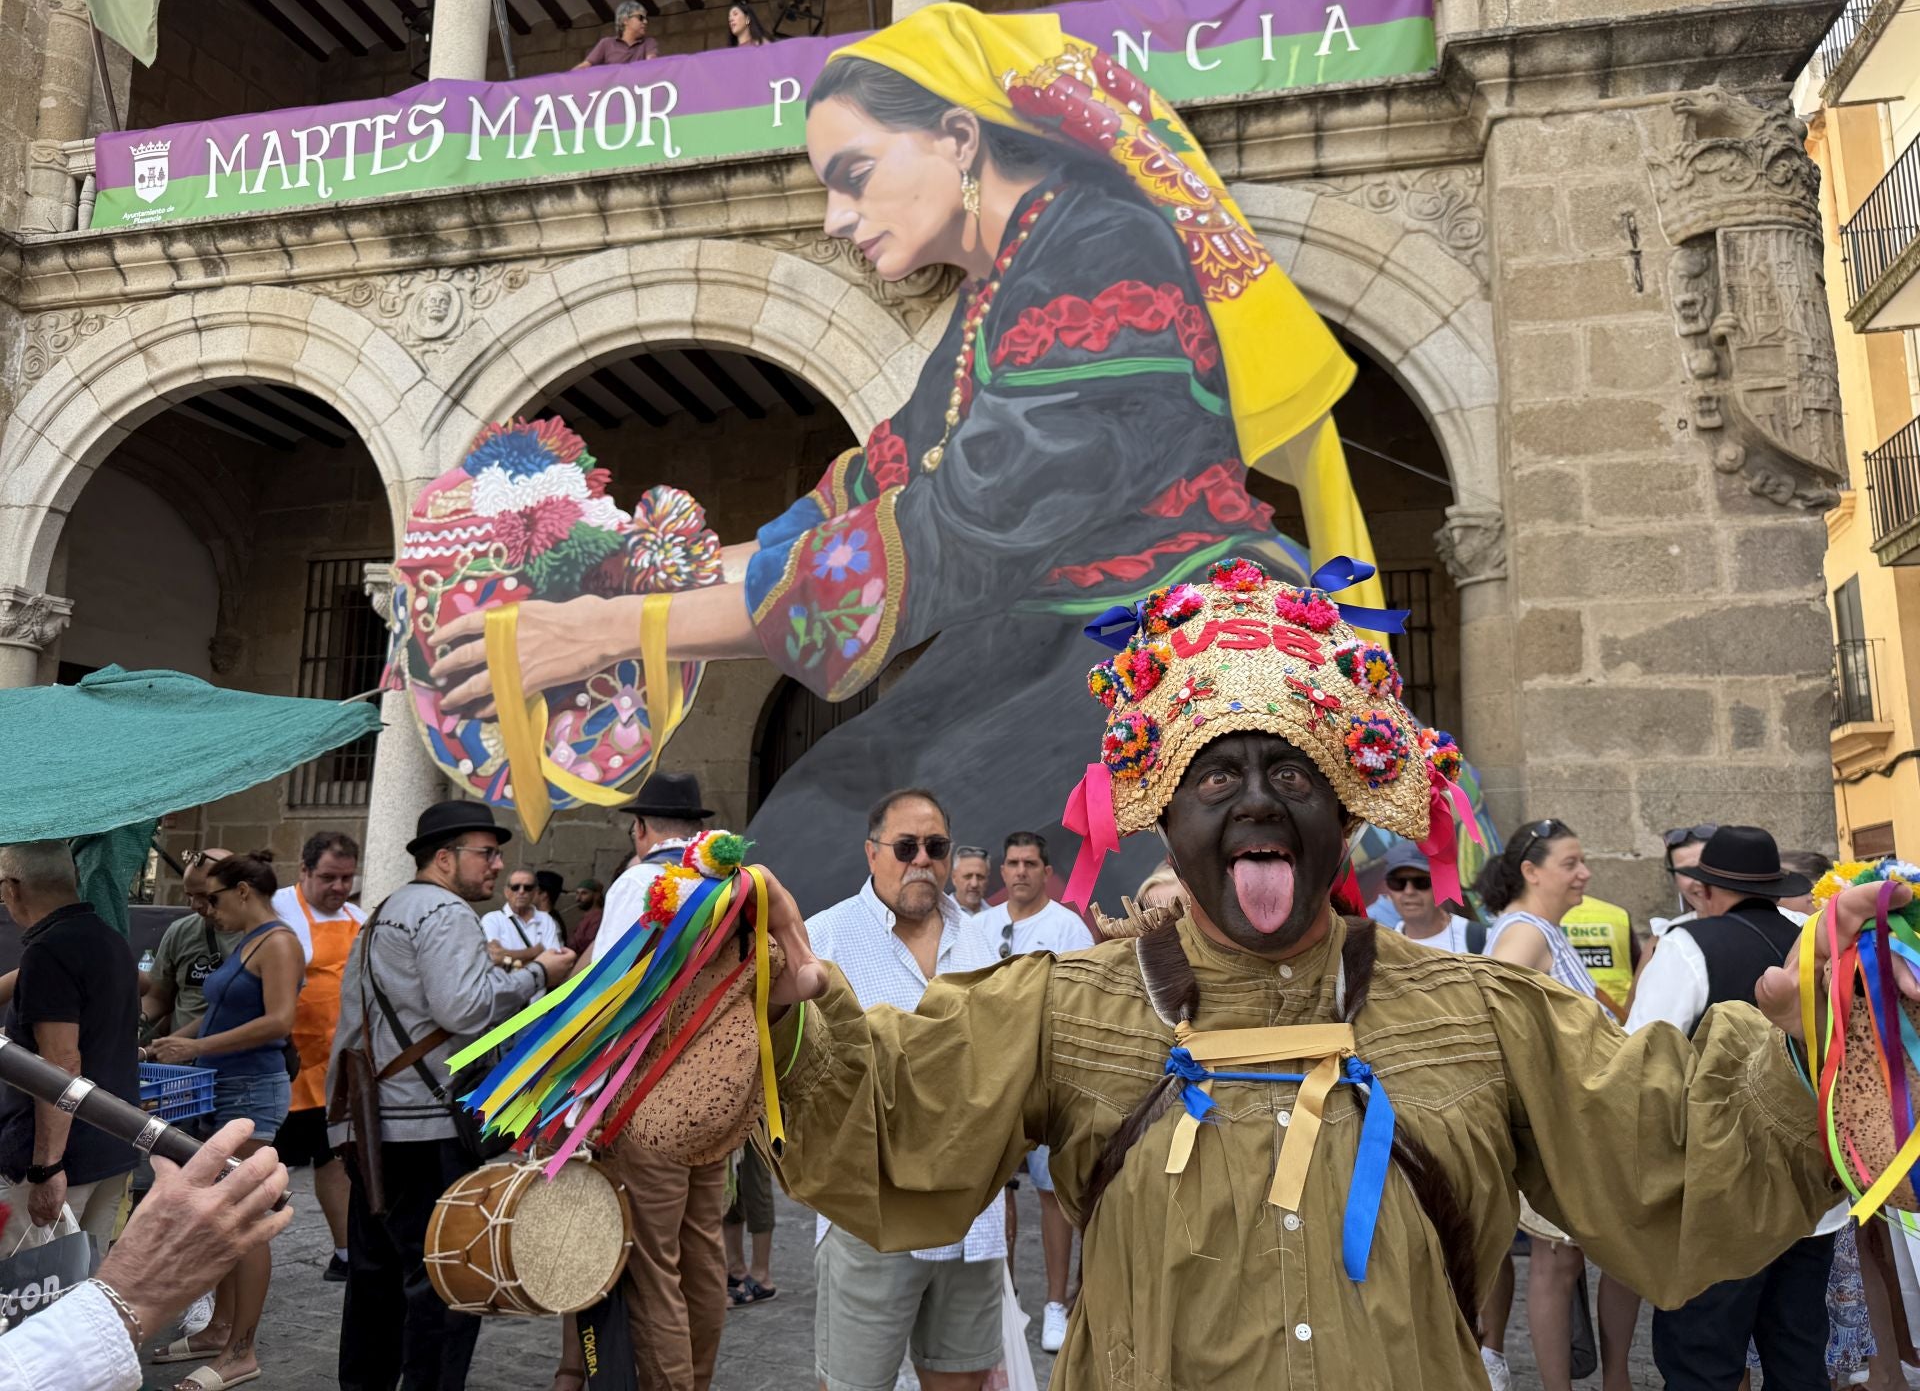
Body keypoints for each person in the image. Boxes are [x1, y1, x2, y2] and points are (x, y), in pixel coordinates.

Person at [740, 560, 1852, 1389]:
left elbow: (1668, 1171)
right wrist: (789, 1019)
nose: (1259, 800)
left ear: (1350, 809)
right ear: (1162, 817)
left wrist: (1822, 1046)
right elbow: (893, 1127)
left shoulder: (1481, 1013)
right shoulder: (1061, 1007)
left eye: (1295, 771)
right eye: (1216, 773)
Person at [428, 3, 1380, 920]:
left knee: (826, 843)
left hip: (1166, 626)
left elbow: (943, 538)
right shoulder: (996, 289)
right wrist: (634, 569)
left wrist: (617, 631)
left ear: (959, 140)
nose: (837, 217)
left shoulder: (1100, 254)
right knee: (814, 827)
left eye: (855, 173)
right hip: (1049, 624)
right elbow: (875, 481)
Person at [326, 800, 574, 1391]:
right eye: (486, 853)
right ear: (444, 858)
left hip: (372, 1122)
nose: (497, 864)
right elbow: (463, 1008)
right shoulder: (444, 910)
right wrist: (540, 976)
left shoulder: (387, 910)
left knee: (376, 1276)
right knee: (445, 1275)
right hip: (425, 1126)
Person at [1624, 826, 1844, 1390]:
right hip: (1815, 1188)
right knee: (1797, 1352)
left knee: (1703, 1356)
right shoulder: (1819, 939)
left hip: (1723, 1195)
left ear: (1707, 889)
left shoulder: (1685, 944)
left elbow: (1642, 1061)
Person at [803, 787, 1007, 1391]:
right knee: (854, 1384)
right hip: (873, 1212)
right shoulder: (826, 938)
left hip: (974, 1218)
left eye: (936, 846)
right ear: (872, 853)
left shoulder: (981, 940)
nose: (922, 859)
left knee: (962, 1379)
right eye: (906, 846)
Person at [587, 771, 730, 1390]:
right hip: (719, 1095)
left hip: (649, 1098)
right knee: (704, 1254)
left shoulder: (643, 883)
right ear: (699, 830)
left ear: (640, 829)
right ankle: (697, 1380)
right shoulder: (734, 886)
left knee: (653, 1266)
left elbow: (603, 998)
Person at [146, 850, 301, 1391]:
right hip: (226, 1087)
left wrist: (198, 1046)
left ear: (242, 891)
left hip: (253, 1091)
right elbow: (221, 1010)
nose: (205, 910)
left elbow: (279, 1021)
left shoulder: (278, 941)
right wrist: (178, 1040)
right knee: (226, 1215)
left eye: (211, 899)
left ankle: (242, 1351)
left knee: (245, 1221)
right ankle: (220, 1329)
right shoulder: (251, 942)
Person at [1475, 821, 1617, 1391]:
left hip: (1569, 1118)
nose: (1584, 873)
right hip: (1552, 1123)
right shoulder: (1526, 933)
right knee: (1557, 1262)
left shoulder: (1541, 929)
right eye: (1571, 862)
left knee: (1568, 1258)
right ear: (1531, 872)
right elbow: (1493, 1013)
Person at [0, 1118, 292, 1391]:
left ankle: (240, 1351)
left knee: (243, 1209)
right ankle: (220, 1328)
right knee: (230, 1209)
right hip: (194, 1109)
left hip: (238, 1091)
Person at [965, 831, 1092, 1352]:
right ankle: (1004, 1299)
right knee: (992, 1190)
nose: (1019, 872)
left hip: (1047, 1078)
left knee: (1051, 1192)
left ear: (1045, 871)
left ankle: (1056, 1304)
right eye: (1012, 863)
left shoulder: (1067, 927)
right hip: (989, 1079)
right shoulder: (978, 926)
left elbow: (1081, 1003)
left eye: (1029, 864)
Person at [0, 841, 139, 1257]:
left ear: (12, 887)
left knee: (26, 1297)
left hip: (63, 1160)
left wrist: (47, 1167)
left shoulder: (51, 951)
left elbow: (61, 1062)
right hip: (110, 1145)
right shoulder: (107, 939)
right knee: (81, 1289)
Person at [270, 830, 365, 1284]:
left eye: (347, 878)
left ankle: (346, 1253)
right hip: (283, 1067)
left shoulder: (358, 919)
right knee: (265, 1167)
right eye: (329, 877)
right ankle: (242, 1250)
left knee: (334, 1162)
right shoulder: (278, 912)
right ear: (303, 872)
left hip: (334, 1069)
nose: (339, 888)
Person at [143, 848, 239, 1039]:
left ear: (238, 889)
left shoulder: (264, 937)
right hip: (180, 1063)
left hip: (234, 1060)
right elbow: (158, 997)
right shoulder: (180, 932)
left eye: (203, 895)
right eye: (189, 895)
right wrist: (138, 1020)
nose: (194, 905)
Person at [1378, 842, 1483, 952]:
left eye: (1421, 882)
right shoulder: (1385, 954)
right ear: (1388, 889)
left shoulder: (1479, 939)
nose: (1409, 891)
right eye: (1397, 883)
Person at [722, 1143, 778, 1306]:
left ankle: (761, 1276)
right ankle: (736, 1268)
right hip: (730, 1117)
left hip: (761, 1118)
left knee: (756, 1179)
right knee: (730, 1178)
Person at [482, 866, 564, 968]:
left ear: (535, 892)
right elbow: (495, 958)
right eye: (515, 887)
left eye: (527, 888)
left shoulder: (546, 919)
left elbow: (554, 962)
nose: (521, 891)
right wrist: (535, 951)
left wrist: (508, 957)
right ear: (506, 892)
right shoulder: (492, 920)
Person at [1660, 823, 1717, 930]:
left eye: (1707, 867)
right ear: (1674, 879)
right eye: (1686, 872)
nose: (1699, 881)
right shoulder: (1669, 937)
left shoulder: (1755, 926)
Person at [576, 0, 658, 67]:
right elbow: (585, 66)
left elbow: (651, 64)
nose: (645, 22)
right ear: (625, 20)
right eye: (640, 18)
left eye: (646, 18)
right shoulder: (606, 44)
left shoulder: (649, 42)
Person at [566, 877, 606, 957]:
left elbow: (587, 944)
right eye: (577, 893)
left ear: (596, 896)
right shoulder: (587, 916)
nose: (578, 898)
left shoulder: (598, 918)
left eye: (584, 893)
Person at [951, 846, 992, 916]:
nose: (974, 884)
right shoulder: (938, 916)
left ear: (987, 880)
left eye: (980, 877)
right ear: (954, 878)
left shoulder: (997, 919)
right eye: (968, 876)